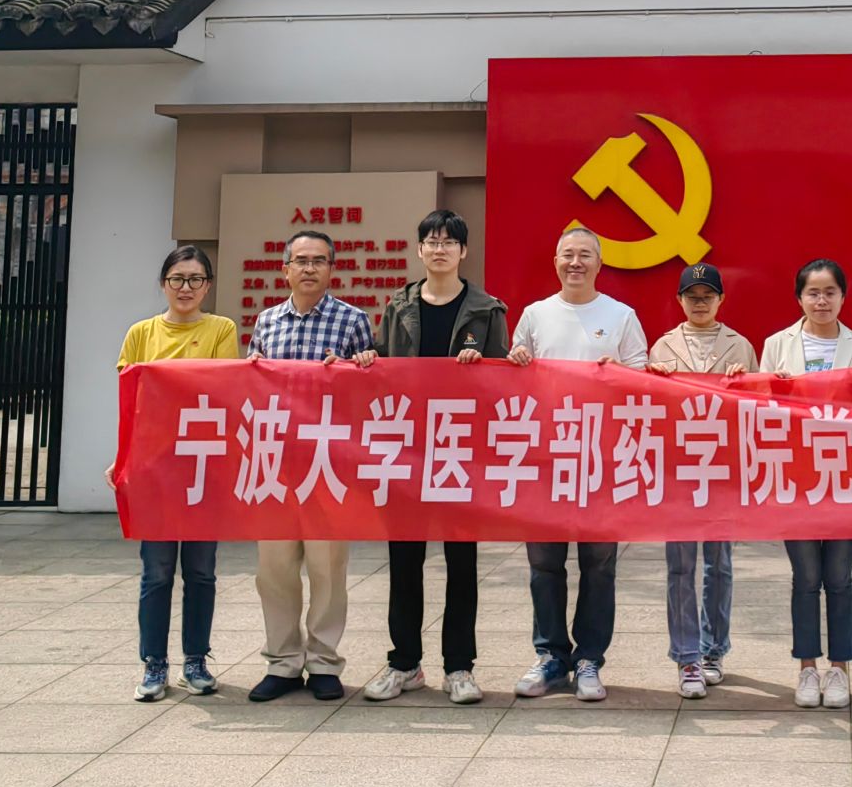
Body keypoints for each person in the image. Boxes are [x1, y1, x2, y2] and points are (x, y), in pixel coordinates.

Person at [348, 209, 508, 706]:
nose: (440, 249)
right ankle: (404, 663)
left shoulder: (487, 310)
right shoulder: (398, 306)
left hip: (461, 451)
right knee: (404, 560)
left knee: (462, 562)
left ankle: (459, 667)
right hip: (407, 450)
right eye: (431, 242)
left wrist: (486, 365)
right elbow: (383, 364)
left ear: (464, 251)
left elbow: (504, 379)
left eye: (448, 242)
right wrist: (368, 359)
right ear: (419, 250)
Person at [508, 226, 648, 702]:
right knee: (544, 563)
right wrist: (517, 360)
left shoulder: (621, 315)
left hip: (601, 458)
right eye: (567, 254)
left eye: (585, 254)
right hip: (546, 458)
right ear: (555, 261)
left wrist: (619, 373)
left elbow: (644, 380)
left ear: (600, 263)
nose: (575, 262)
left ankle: (589, 658)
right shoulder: (535, 314)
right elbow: (514, 381)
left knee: (599, 564)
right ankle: (550, 656)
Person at [244, 228, 374, 702]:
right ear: (285, 269)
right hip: (276, 463)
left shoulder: (353, 320)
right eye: (301, 260)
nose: (309, 268)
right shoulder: (266, 321)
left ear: (331, 269)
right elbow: (251, 387)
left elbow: (370, 389)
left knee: (327, 568)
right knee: (274, 569)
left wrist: (357, 367)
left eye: (319, 260)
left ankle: (322, 662)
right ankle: (282, 662)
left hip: (328, 464)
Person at [113, 244, 239, 702]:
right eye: (177, 279)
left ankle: (195, 660)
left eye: (195, 279)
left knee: (201, 571)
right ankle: (154, 664)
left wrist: (167, 379)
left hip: (203, 466)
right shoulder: (140, 333)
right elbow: (132, 403)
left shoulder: (222, 329)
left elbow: (222, 388)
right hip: (155, 471)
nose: (186, 288)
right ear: (163, 283)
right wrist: (123, 459)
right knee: (158, 572)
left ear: (208, 286)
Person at [760, 257, 852, 709]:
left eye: (830, 292)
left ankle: (840, 668)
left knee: (840, 578)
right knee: (806, 577)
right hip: (796, 477)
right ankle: (807, 668)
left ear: (843, 297)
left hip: (846, 477)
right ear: (799, 298)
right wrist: (777, 391)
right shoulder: (777, 345)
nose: (822, 300)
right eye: (813, 292)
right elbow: (759, 409)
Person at [645, 261, 754, 699]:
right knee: (680, 566)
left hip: (723, 468)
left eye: (708, 296)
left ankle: (714, 649)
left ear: (721, 299)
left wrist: (744, 385)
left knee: (719, 564)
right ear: (680, 300)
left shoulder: (741, 345)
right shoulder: (662, 346)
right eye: (692, 296)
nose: (700, 303)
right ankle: (687, 656)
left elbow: (757, 407)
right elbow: (651, 408)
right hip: (679, 469)